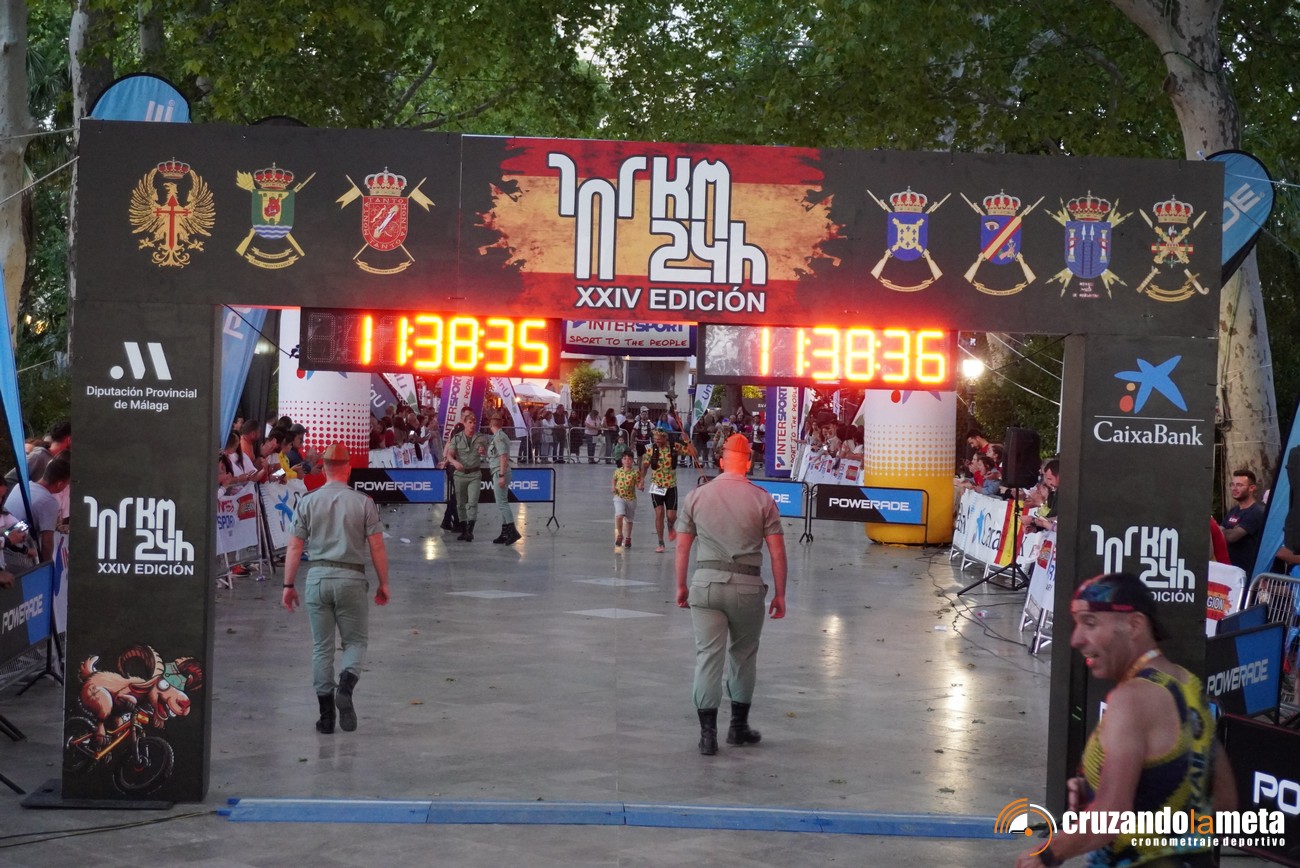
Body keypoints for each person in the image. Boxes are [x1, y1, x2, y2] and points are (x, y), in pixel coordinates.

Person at [1013, 572, 1236, 868]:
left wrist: (1047, 854)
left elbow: (1109, 817)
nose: (1076, 639)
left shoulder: (1131, 699)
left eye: (1090, 623)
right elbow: (1225, 803)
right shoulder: (1187, 683)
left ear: (1134, 625)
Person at [674, 433, 787, 757]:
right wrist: (780, 594)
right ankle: (738, 728)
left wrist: (681, 586)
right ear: (748, 463)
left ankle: (707, 735)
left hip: (706, 585)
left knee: (708, 656)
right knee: (743, 655)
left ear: (721, 461)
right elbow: (777, 553)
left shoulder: (696, 496)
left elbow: (682, 547)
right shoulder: (763, 499)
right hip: (748, 589)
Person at [281, 443, 390, 735]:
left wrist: (288, 584)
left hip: (317, 578)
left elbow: (295, 546)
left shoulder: (307, 501)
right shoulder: (364, 502)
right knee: (355, 642)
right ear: (348, 469)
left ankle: (326, 717)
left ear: (324, 468)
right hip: (351, 579)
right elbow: (377, 547)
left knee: (321, 648)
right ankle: (346, 685)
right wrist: (383, 583)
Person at [4, 455, 70, 563]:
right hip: (19, 555)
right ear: (60, 484)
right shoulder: (49, 502)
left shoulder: (21, 486)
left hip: (5, 546)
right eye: (67, 484)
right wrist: (48, 567)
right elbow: (47, 543)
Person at [641, 427, 696, 553]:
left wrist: (687, 441)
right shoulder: (651, 449)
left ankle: (670, 526)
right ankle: (660, 542)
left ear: (665, 438)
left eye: (659, 439)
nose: (657, 441)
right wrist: (641, 480)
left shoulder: (674, 447)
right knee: (659, 512)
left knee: (671, 516)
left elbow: (693, 453)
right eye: (655, 439)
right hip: (657, 485)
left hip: (671, 485)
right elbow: (644, 466)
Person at [446, 409, 488, 542]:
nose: (472, 425)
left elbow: (487, 452)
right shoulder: (457, 438)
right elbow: (449, 454)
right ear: (464, 423)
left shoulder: (480, 438)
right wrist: (454, 462)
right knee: (460, 504)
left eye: (474, 423)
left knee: (473, 502)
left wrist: (483, 452)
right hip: (460, 475)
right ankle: (464, 529)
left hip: (475, 474)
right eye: (470, 422)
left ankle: (470, 531)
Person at [1220, 469, 1266, 574]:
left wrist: (1227, 531)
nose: (1234, 488)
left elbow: (1231, 537)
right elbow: (1217, 534)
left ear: (1252, 488)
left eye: (1239, 485)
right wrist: (1229, 531)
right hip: (1231, 570)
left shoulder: (1257, 511)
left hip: (1248, 572)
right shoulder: (1234, 510)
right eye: (1232, 485)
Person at [487, 414, 521, 545]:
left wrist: (501, 475)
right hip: (501, 471)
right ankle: (505, 532)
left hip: (500, 472)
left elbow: (503, 456)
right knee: (503, 502)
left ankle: (512, 531)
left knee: (502, 503)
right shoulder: (500, 436)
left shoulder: (499, 437)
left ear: (491, 424)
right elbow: (497, 455)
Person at [611, 449, 641, 553]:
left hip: (631, 498)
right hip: (619, 497)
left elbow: (638, 483)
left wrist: (640, 486)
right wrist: (613, 487)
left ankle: (628, 537)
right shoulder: (618, 471)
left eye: (629, 459)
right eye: (625, 458)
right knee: (619, 515)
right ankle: (620, 535)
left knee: (629, 520)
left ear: (632, 461)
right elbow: (614, 479)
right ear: (622, 460)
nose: (627, 461)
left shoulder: (635, 472)